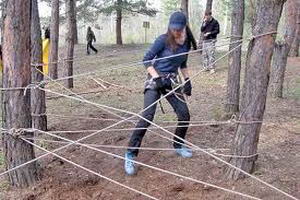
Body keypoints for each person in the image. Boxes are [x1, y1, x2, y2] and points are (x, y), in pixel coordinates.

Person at [124, 11, 195, 176]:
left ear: (184, 27)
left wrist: (187, 79)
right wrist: (156, 78)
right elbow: (146, 60)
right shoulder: (162, 40)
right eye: (173, 28)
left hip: (171, 81)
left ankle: (178, 145)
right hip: (155, 80)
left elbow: (183, 62)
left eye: (179, 28)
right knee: (147, 117)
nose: (176, 31)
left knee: (184, 115)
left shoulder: (186, 43)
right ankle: (130, 154)